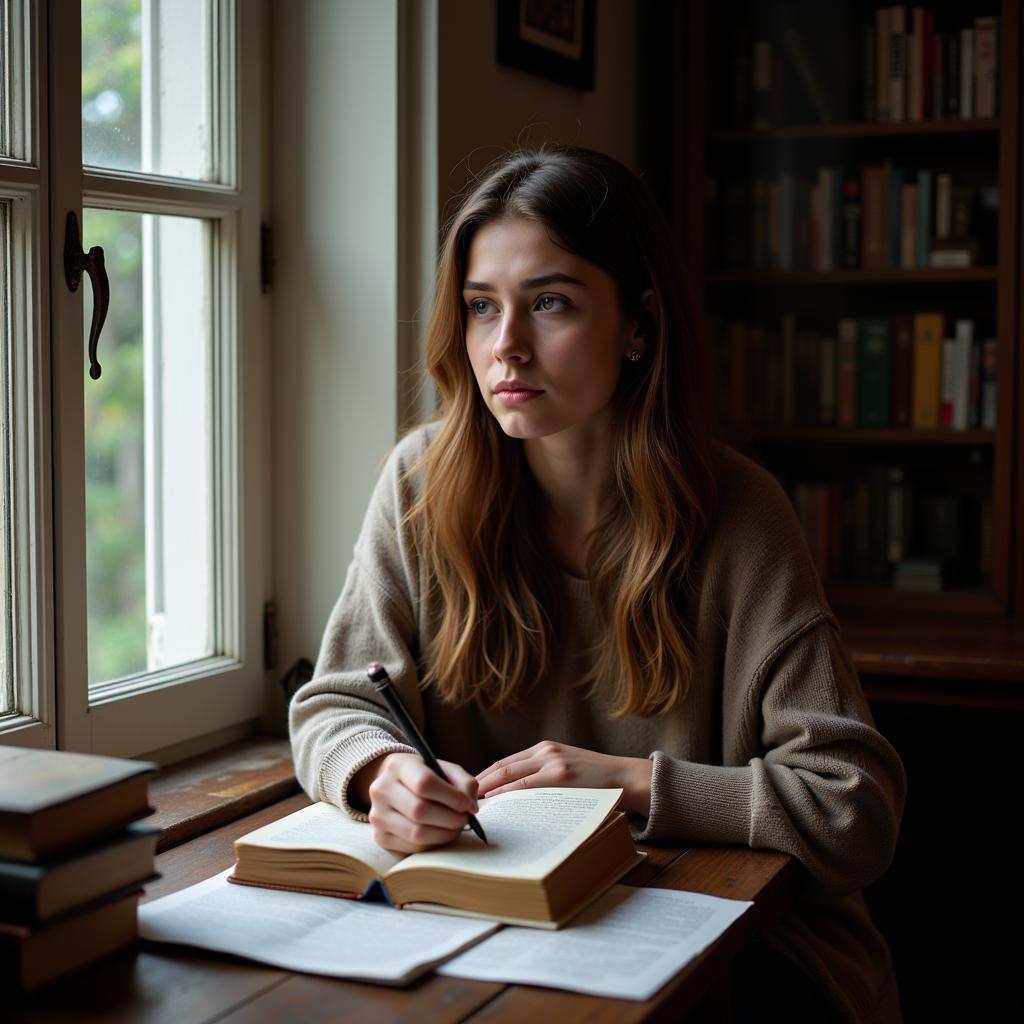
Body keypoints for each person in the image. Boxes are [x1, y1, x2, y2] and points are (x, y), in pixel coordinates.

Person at [289, 146, 906, 1023]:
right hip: (494, 934)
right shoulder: (420, 484)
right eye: (479, 308)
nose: (506, 346)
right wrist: (379, 769)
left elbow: (856, 809)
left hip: (743, 951)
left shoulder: (738, 513)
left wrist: (629, 783)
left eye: (551, 303)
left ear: (639, 324)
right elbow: (335, 705)